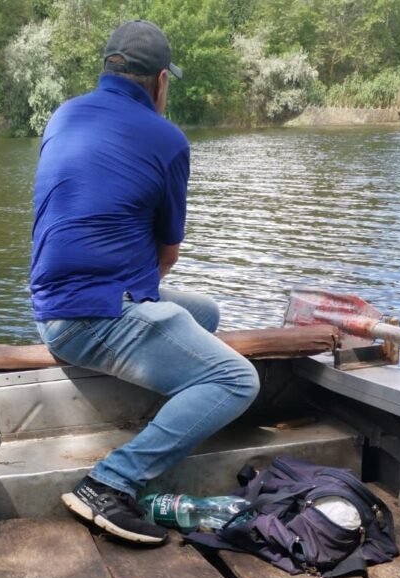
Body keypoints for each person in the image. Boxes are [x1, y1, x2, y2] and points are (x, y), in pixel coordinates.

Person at [30, 19, 260, 545]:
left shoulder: (64, 114)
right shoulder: (167, 139)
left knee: (204, 313)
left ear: (107, 69)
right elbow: (168, 253)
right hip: (88, 318)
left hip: (52, 305)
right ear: (161, 80)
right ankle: (111, 482)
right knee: (236, 380)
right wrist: (130, 306)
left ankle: (169, 411)